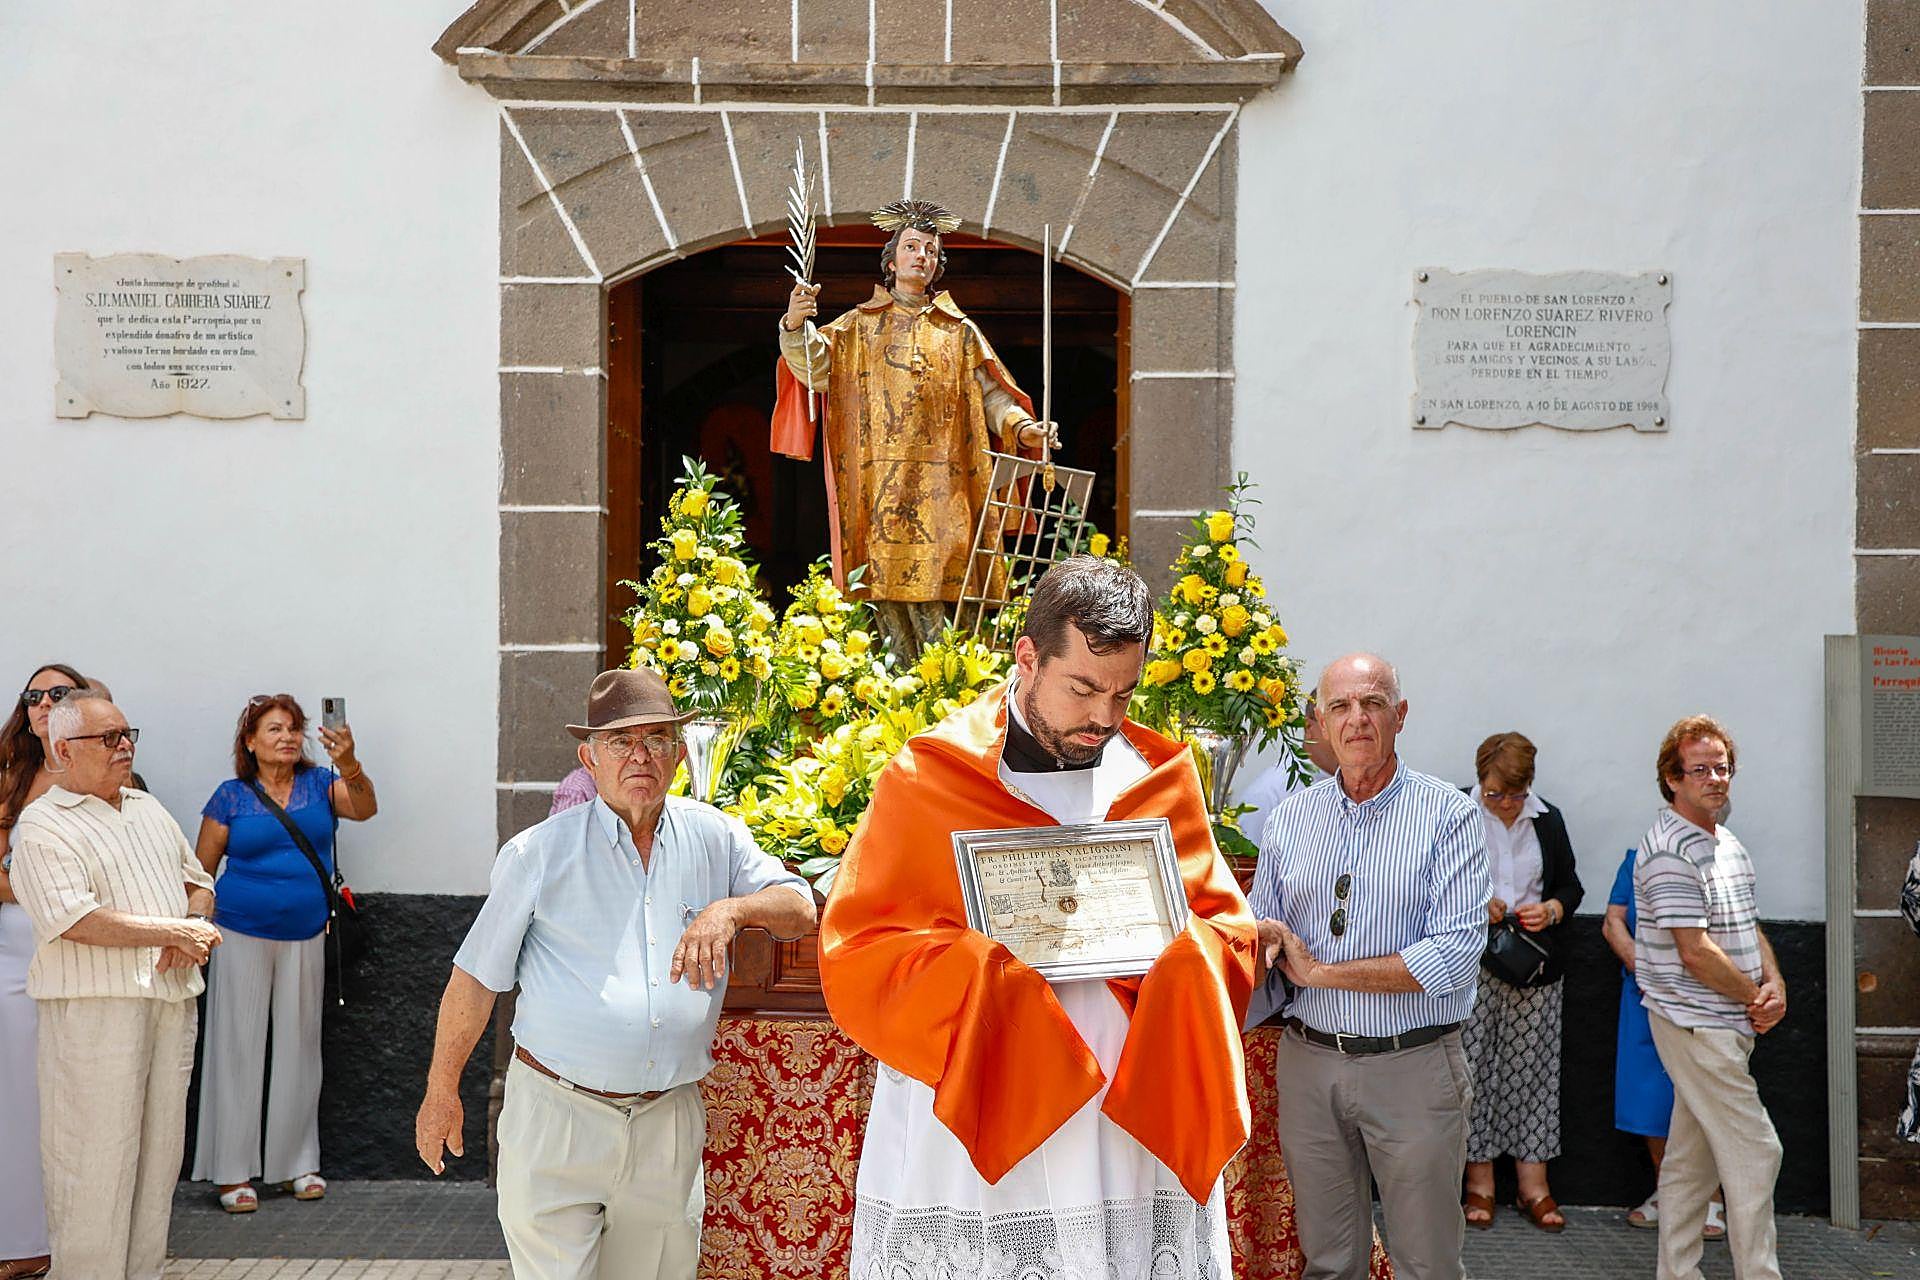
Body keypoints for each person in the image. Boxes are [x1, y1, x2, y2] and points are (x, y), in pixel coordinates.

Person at [819, 556, 1257, 1277]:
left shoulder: (1155, 776)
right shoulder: (933, 777)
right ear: (1027, 656)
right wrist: (988, 971)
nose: (1104, 718)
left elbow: (1230, 938)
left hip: (1121, 1121)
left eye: (1124, 693)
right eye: (1083, 688)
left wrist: (1184, 956)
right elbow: (864, 949)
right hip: (984, 1106)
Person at [415, 668, 816, 1280]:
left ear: (678, 754)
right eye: (620, 741)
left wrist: (730, 910)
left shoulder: (714, 836)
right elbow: (474, 980)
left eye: (656, 739)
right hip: (559, 1117)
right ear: (589, 757)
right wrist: (442, 1090)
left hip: (666, 1122)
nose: (640, 756)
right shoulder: (538, 854)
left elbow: (799, 907)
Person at [1249, 652, 1489, 1280]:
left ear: (1400, 716)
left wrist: (1321, 972)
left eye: (1372, 703)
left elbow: (1453, 958)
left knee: (1426, 1262)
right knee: (1328, 1261)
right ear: (1320, 722)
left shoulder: (1449, 816)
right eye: (1341, 706)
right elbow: (1260, 939)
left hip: (1412, 1065)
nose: (1356, 719)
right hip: (1310, 1064)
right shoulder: (1290, 820)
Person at [773, 198, 1057, 657]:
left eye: (930, 248)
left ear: (937, 265)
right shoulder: (856, 328)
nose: (921, 255)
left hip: (948, 483)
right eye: (911, 246)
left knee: (955, 593)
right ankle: (898, 692)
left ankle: (952, 686)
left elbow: (993, 395)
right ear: (891, 261)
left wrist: (1026, 430)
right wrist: (795, 321)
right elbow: (815, 367)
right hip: (880, 485)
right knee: (885, 598)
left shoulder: (960, 331)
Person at [9, 690, 222, 1280]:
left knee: (156, 1165)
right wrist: (174, 931)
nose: (124, 746)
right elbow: (71, 919)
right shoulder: (42, 825)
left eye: (128, 734)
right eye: (108, 738)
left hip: (170, 1004)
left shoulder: (149, 809)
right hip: (92, 1014)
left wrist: (195, 925)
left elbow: (198, 879)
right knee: (93, 1164)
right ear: (61, 749)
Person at [190, 694, 378, 1212]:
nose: (288, 737)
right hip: (239, 931)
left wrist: (349, 761)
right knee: (236, 1049)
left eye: (294, 729)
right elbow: (200, 874)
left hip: (306, 932)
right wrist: (194, 932)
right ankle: (232, 1173)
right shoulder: (230, 797)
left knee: (300, 1049)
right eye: (275, 729)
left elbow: (365, 807)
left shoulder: (322, 785)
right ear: (250, 742)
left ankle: (298, 1163)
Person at [1633, 715, 1784, 1280]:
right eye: (1700, 769)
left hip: (1726, 1021)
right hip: (1699, 1024)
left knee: (1689, 1166)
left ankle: (1677, 1273)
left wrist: (1776, 984)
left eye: (1722, 768)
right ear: (1672, 779)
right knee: (1758, 1151)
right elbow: (1693, 951)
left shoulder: (1727, 842)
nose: (1715, 778)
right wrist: (1755, 998)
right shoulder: (1671, 850)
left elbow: (1746, 924)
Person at [1458, 732, 1583, 1232]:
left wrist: (1551, 909)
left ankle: (1535, 1187)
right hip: (1476, 965)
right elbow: (1431, 882)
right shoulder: (1459, 814)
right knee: (1475, 1072)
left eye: (1515, 794)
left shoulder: (1547, 819)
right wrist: (1475, 904)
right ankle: (1480, 1184)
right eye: (1496, 794)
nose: (1506, 804)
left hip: (1536, 966)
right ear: (1481, 781)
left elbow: (1570, 885)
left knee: (1535, 1075)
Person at [0, 664, 87, 1280]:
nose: (44, 703)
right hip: (13, 950)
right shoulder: (10, 777)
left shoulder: (106, 774)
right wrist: (39, 893)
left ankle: (79, 1235)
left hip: (85, 945)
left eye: (58, 693)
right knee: (17, 1097)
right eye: (34, 696)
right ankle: (24, 1239)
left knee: (79, 1094)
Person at [1604, 848, 1727, 1240]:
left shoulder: (1723, 862)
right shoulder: (1636, 859)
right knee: (1648, 1097)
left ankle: (1711, 1196)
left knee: (1696, 1095)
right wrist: (1641, 965)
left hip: (1699, 997)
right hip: (1642, 993)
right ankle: (1667, 1189)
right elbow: (1613, 921)